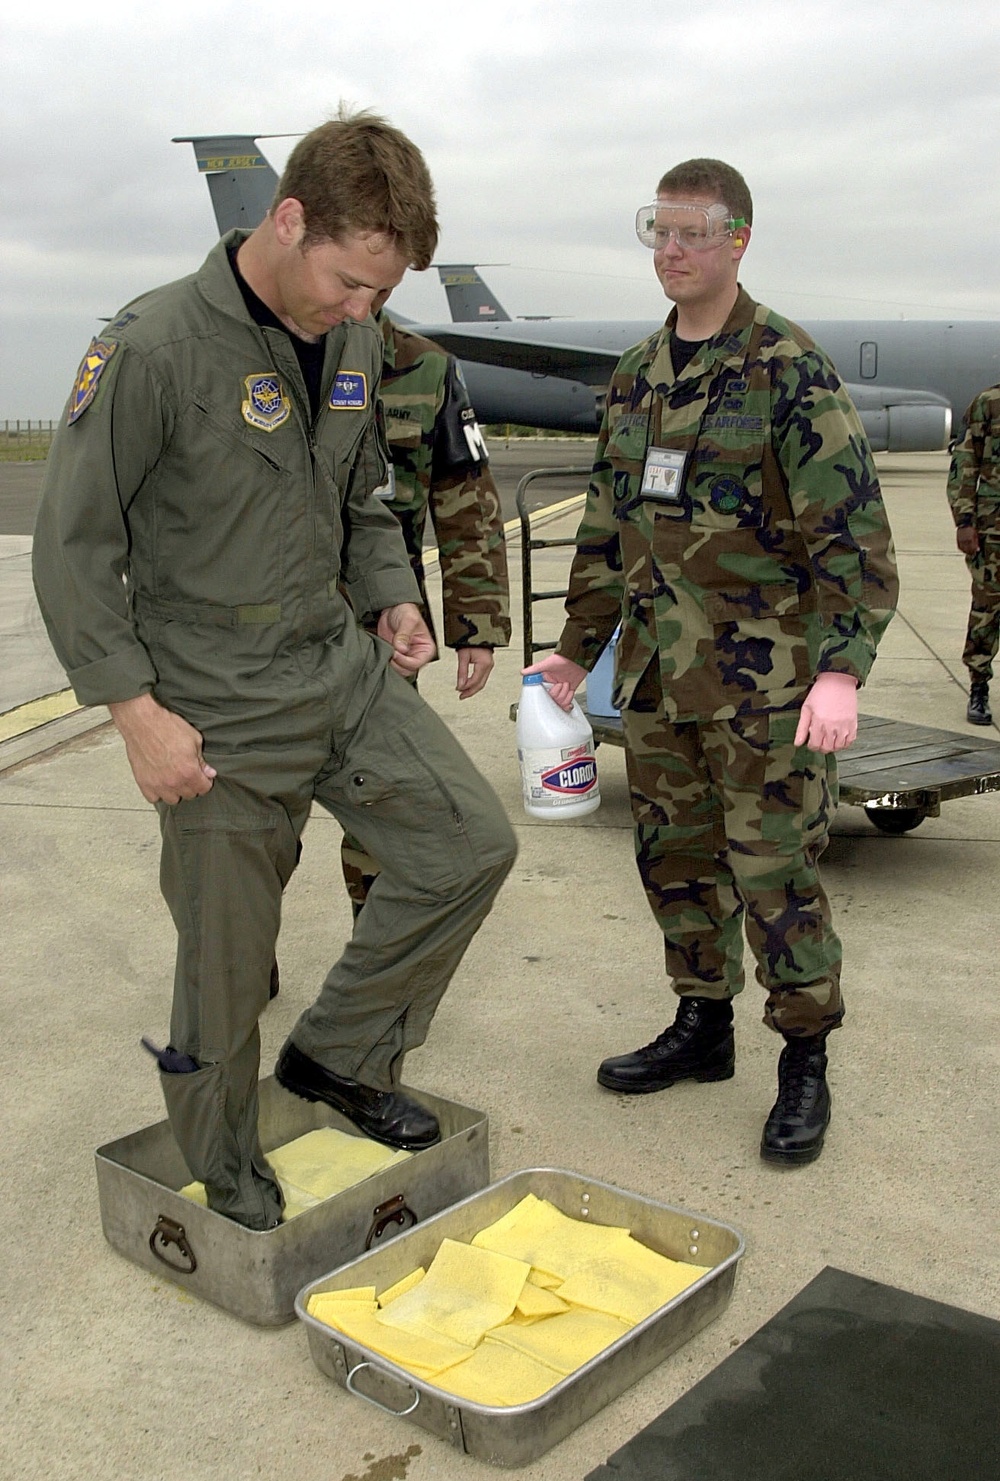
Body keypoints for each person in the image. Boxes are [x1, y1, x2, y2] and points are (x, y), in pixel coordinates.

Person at [32, 111, 517, 1231]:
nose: (362, 313)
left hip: (333, 663)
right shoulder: (153, 347)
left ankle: (339, 1056)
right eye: (349, 282)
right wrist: (135, 713)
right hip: (213, 693)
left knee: (465, 848)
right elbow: (72, 546)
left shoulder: (349, 342)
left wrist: (394, 594)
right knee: (226, 966)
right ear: (287, 221)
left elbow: (358, 496)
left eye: (379, 295)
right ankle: (223, 1167)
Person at [526, 159, 898, 1166]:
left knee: (772, 873)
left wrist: (840, 670)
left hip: (766, 688)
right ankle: (703, 1029)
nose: (671, 251)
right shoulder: (637, 372)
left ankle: (804, 1060)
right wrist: (572, 653)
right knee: (675, 863)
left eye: (692, 232)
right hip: (654, 680)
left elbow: (853, 537)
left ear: (737, 239)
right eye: (658, 231)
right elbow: (608, 524)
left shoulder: (787, 368)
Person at [339, 302, 510, 912]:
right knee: (257, 818)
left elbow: (467, 507)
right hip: (270, 633)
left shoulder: (425, 369)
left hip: (384, 634)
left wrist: (477, 628)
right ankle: (242, 962)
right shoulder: (265, 355)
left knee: (384, 804)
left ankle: (376, 973)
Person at [946, 384, 1000, 725]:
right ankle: (979, 684)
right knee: (988, 606)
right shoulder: (989, 403)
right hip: (994, 527)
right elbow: (965, 462)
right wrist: (964, 520)